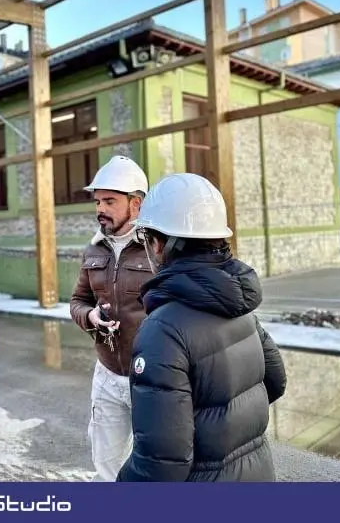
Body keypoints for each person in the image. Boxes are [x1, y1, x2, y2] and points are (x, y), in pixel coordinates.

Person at [116, 173, 287, 482]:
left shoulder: (162, 331)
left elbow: (161, 465)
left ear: (158, 244)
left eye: (145, 239)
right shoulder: (238, 305)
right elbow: (274, 382)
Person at [69, 155, 152, 482]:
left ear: (136, 203)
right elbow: (78, 300)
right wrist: (90, 316)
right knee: (106, 463)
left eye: (110, 201)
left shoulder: (158, 249)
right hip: (106, 374)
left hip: (151, 377)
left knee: (157, 464)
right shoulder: (94, 250)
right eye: (98, 201)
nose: (100, 208)